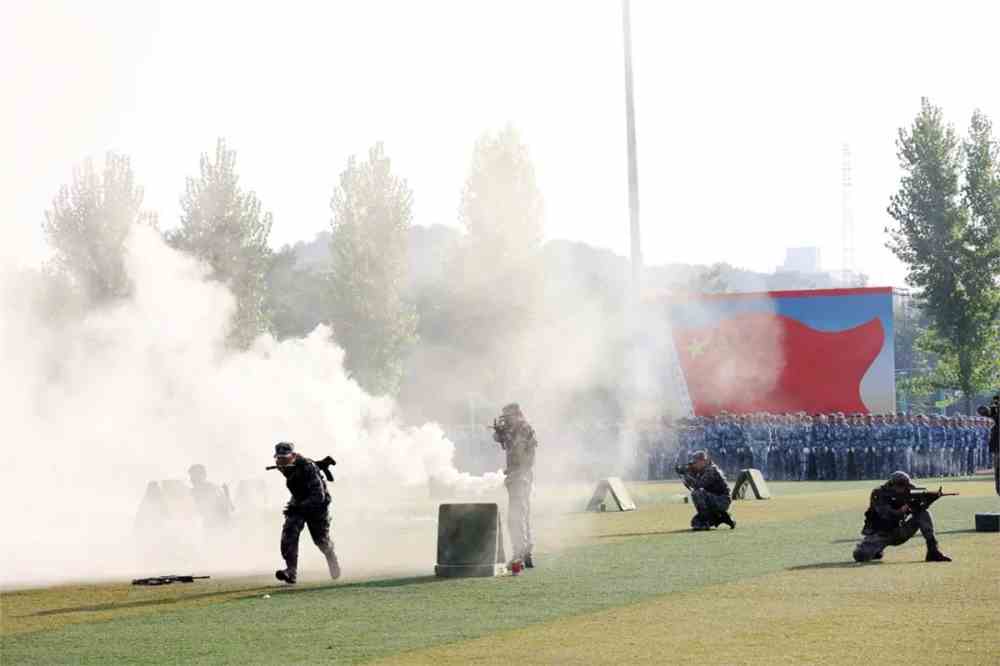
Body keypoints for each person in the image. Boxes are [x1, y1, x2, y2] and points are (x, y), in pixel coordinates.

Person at [272, 442, 341, 584]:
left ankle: (331, 555)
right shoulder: (284, 465)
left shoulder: (306, 466)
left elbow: (319, 496)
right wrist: (318, 464)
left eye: (285, 458)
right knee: (289, 532)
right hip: (298, 501)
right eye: (279, 458)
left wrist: (313, 466)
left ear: (293, 456)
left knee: (321, 540)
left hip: (317, 506)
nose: (282, 461)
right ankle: (291, 571)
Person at [852, 471, 951, 563]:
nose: (904, 489)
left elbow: (920, 508)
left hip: (899, 532)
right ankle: (877, 550)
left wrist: (931, 499)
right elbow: (885, 513)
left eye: (906, 486)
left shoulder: (910, 491)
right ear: (892, 484)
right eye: (901, 486)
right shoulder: (879, 493)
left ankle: (933, 551)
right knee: (860, 555)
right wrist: (901, 511)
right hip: (879, 534)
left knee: (923, 513)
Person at [493, 403, 537, 568]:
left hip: (519, 473)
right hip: (521, 474)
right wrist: (500, 433)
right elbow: (498, 439)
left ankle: (520, 553)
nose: (505, 420)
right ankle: (526, 553)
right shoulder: (519, 428)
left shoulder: (521, 429)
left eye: (508, 416)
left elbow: (518, 449)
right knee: (523, 514)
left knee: (515, 517)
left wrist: (504, 433)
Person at [679, 450, 735, 530]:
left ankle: (706, 521)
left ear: (703, 461)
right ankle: (723, 517)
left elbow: (698, 485)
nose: (694, 465)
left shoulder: (711, 470)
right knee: (695, 522)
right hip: (715, 499)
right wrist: (686, 475)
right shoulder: (702, 470)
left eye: (696, 462)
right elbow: (693, 484)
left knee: (697, 493)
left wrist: (687, 475)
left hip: (722, 500)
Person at [187, 464, 233, 529]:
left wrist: (226, 493)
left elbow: (230, 507)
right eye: (191, 477)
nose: (191, 480)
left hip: (219, 526)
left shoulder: (213, 488)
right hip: (210, 526)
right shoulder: (192, 492)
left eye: (194, 477)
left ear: (203, 476)